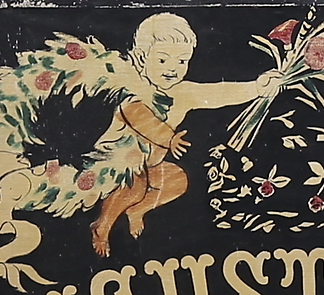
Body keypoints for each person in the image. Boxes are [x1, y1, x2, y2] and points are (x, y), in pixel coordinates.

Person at [90, 13, 282, 256]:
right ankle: (102, 226)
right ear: (141, 58)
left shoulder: (182, 92)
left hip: (149, 166)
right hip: (114, 168)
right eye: (162, 60)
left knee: (177, 180)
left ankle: (136, 210)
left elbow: (218, 93)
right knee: (136, 186)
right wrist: (168, 138)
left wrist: (257, 87)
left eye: (181, 61)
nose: (172, 68)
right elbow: (136, 115)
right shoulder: (132, 87)